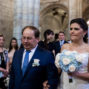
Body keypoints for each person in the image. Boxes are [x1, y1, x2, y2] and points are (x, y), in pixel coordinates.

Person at [56, 18, 89, 89]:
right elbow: (59, 70)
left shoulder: (88, 49)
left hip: (81, 85)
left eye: (76, 29)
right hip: (64, 84)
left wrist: (76, 74)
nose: (72, 31)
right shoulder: (64, 47)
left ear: (85, 32)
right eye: (71, 29)